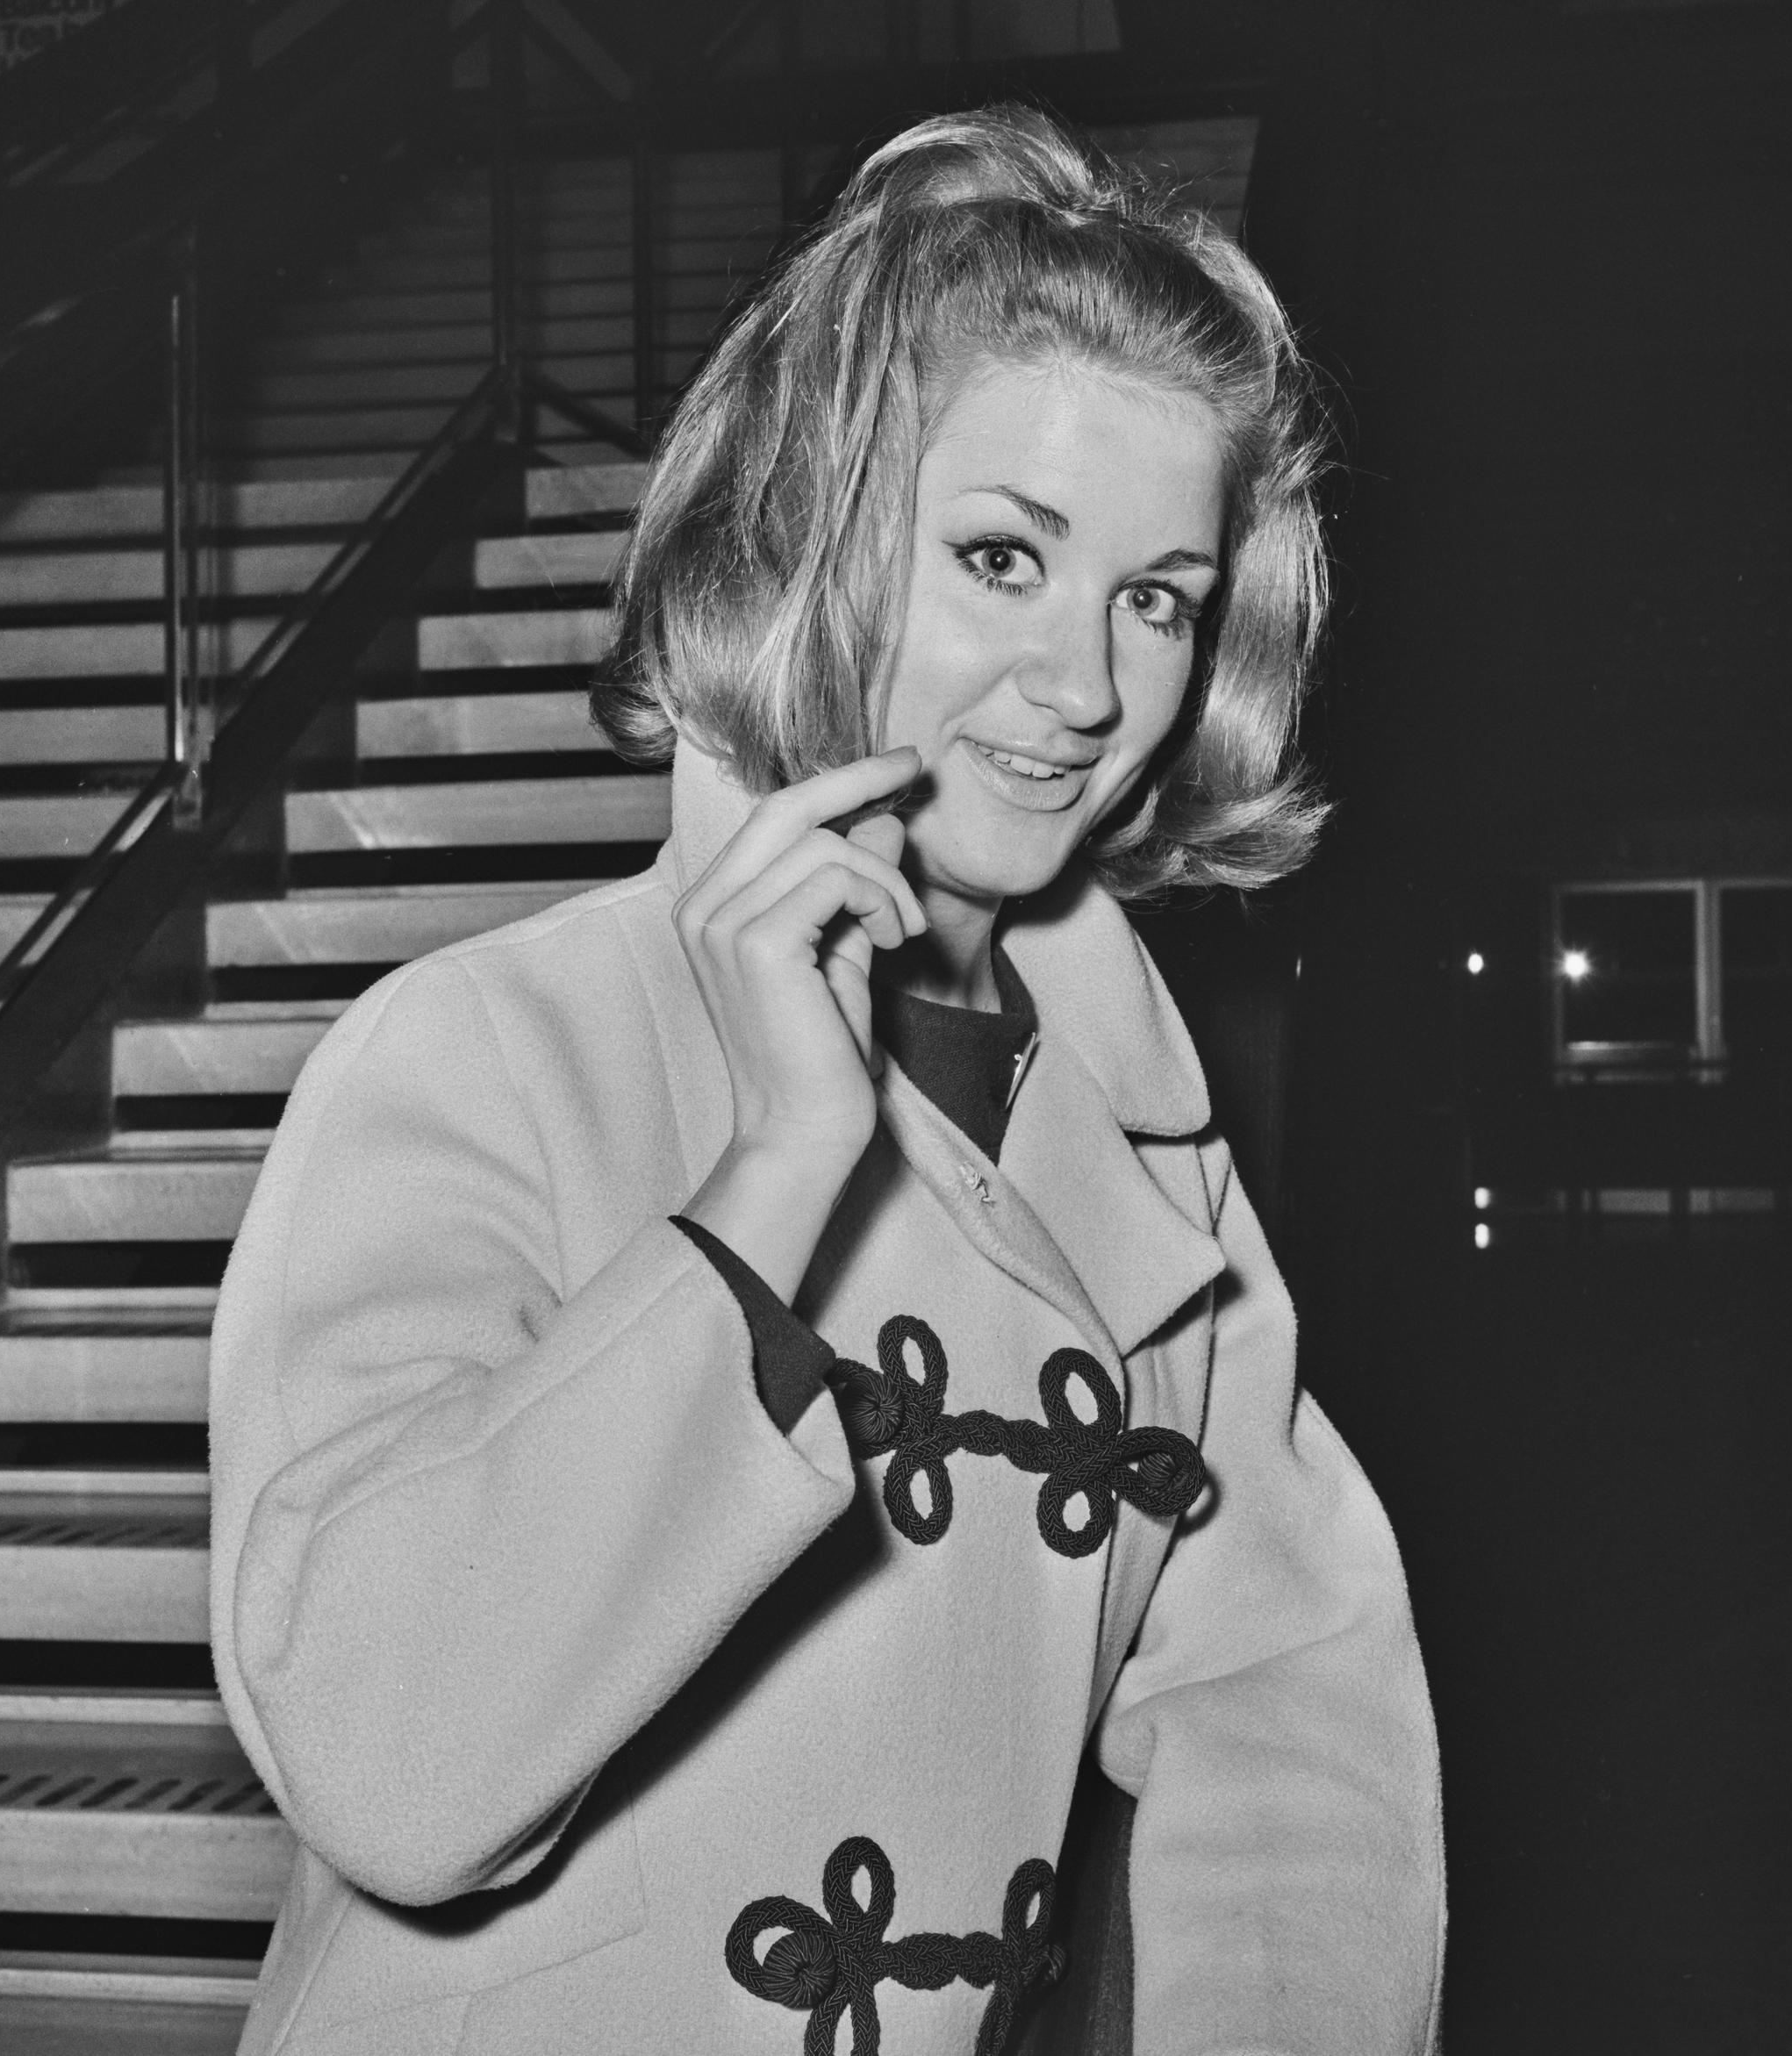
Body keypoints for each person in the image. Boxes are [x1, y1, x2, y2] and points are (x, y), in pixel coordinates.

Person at [208, 104, 1444, 2056]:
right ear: (810, 536)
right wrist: (777, 1168)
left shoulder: (1143, 1141)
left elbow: (1298, 1719)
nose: (1090, 686)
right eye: (1001, 557)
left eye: (1157, 595)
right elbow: (387, 1767)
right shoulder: (480, 1054)